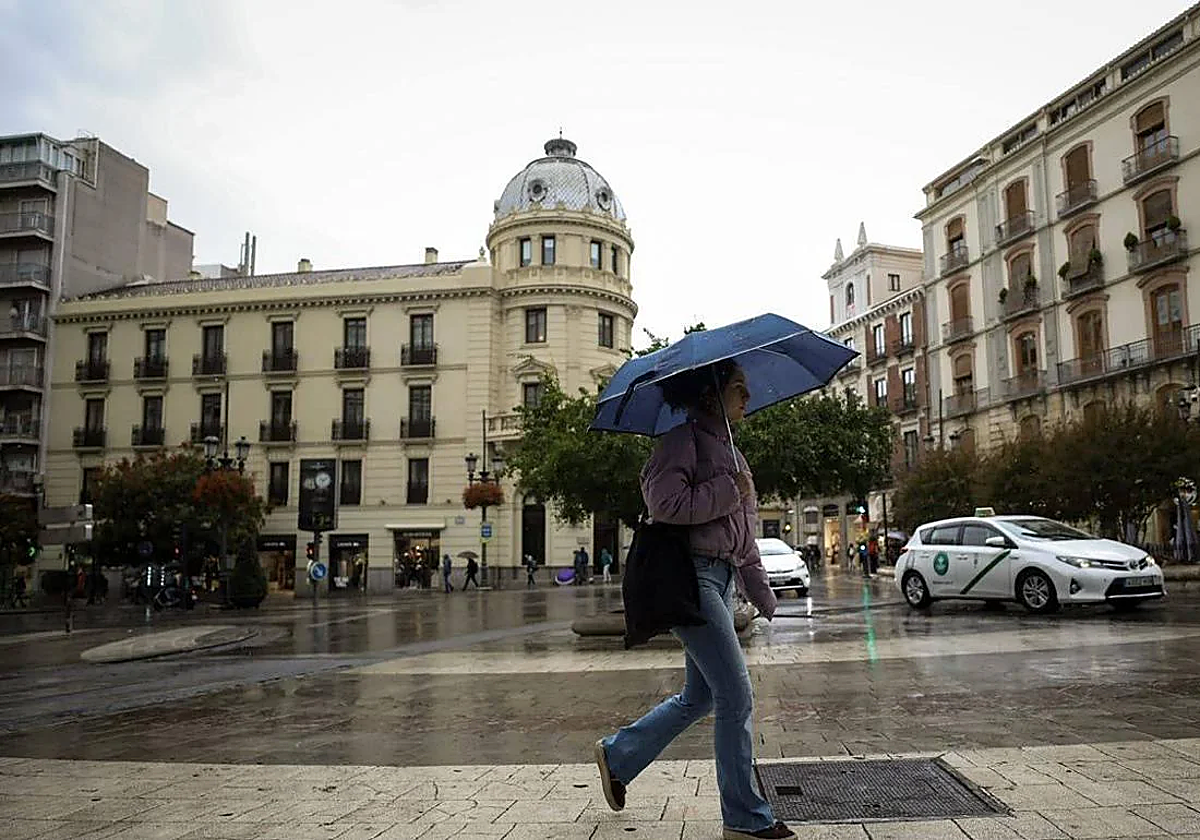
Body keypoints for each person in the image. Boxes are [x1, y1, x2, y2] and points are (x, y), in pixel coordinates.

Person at [594, 360, 795, 840]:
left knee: (701, 696)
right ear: (711, 393)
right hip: (692, 579)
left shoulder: (735, 455)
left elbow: (744, 539)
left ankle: (618, 755)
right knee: (736, 696)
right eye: (739, 388)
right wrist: (728, 490)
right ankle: (744, 818)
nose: (747, 398)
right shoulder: (681, 442)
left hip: (722, 582)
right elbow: (664, 504)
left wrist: (761, 592)